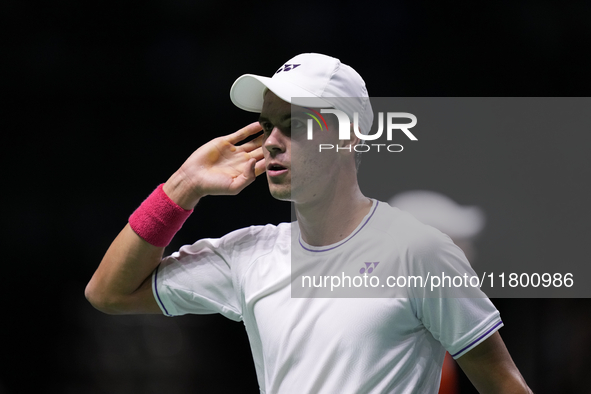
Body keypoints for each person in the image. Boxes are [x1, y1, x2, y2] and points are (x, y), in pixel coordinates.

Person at [86, 53, 532, 393]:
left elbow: (505, 385)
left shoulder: (419, 252)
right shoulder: (248, 254)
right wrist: (182, 186)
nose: (273, 142)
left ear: (347, 135)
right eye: (267, 125)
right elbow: (108, 293)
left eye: (294, 124)